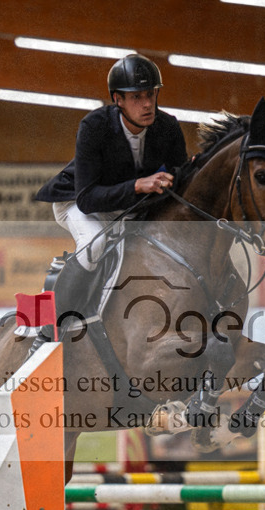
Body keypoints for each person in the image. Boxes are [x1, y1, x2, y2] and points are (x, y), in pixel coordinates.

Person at [32, 53, 188, 342]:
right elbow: (87, 198)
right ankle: (47, 333)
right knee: (95, 244)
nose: (147, 104)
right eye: (137, 97)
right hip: (77, 202)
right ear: (118, 100)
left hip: (126, 207)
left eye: (151, 94)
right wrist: (138, 186)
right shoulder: (94, 127)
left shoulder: (168, 127)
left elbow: (181, 179)